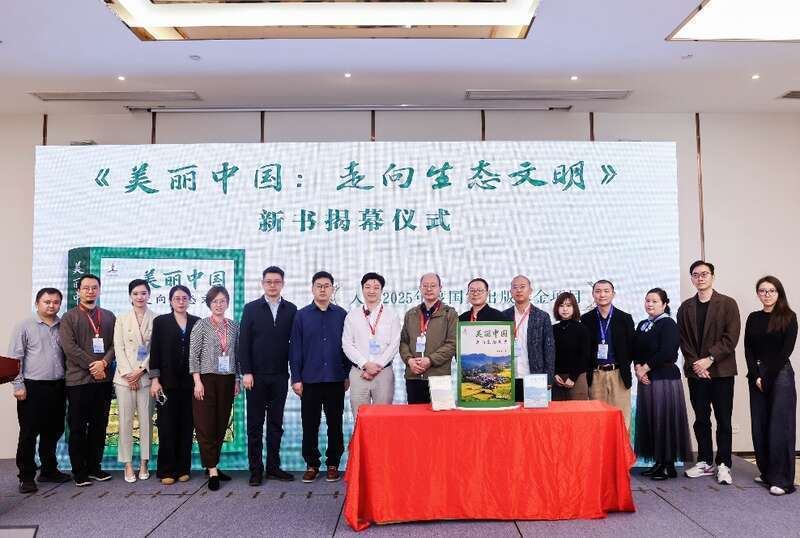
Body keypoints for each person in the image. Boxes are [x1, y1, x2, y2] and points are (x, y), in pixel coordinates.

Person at [677, 260, 740, 485]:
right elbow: (683, 340)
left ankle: (724, 464)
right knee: (701, 419)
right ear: (692, 278)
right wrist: (697, 364)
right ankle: (704, 461)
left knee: (723, 419)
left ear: (713, 276)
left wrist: (709, 359)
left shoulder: (728, 303)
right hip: (696, 373)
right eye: (696, 275)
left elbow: (731, 338)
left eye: (704, 274)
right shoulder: (685, 307)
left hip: (721, 371)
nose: (700, 278)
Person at [239, 266, 297, 486]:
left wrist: (295, 375)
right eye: (268, 282)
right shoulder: (251, 308)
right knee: (255, 425)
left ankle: (273, 467)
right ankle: (256, 470)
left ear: (283, 284)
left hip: (280, 376)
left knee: (275, 424)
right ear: (263, 284)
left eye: (277, 282)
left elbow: (295, 345)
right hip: (255, 377)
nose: (272, 285)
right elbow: (243, 343)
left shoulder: (291, 309)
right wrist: (246, 372)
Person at [8, 288, 71, 493]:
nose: (52, 305)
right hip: (32, 387)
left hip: (58, 386)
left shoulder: (63, 326)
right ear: (37, 303)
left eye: (56, 302)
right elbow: (15, 358)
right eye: (47, 302)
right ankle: (26, 476)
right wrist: (18, 385)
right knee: (29, 433)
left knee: (53, 430)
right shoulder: (24, 326)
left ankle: (48, 470)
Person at [289, 271, 349, 483]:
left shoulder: (341, 314)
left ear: (333, 289)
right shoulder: (301, 315)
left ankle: (333, 463)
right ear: (312, 289)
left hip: (335, 379)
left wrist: (347, 374)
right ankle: (312, 464)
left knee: (335, 424)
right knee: (310, 424)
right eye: (319, 286)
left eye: (327, 286)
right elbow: (295, 349)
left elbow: (347, 348)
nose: (323, 289)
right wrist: (296, 378)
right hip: (310, 380)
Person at [59, 274, 115, 487]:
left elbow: (115, 345)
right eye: (86, 288)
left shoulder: (108, 316)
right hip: (78, 382)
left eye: (94, 288)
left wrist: (104, 363)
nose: (90, 291)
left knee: (99, 426)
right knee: (78, 427)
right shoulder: (69, 317)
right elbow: (69, 348)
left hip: (103, 381)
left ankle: (94, 467)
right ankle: (79, 471)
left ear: (99, 290)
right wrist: (94, 365)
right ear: (79, 291)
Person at [744, 276, 797, 495]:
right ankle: (767, 472)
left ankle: (782, 480)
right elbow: (748, 349)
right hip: (757, 375)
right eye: (763, 291)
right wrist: (755, 375)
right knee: (760, 424)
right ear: (758, 293)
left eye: (771, 290)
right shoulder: (753, 317)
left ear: (779, 293)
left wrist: (768, 378)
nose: (767, 294)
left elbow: (786, 351)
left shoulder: (789, 317)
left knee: (779, 426)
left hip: (780, 375)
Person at [633, 288, 692, 481]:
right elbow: (636, 351)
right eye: (647, 301)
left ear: (664, 304)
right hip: (647, 379)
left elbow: (667, 351)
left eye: (655, 301)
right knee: (652, 420)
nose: (650, 304)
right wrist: (638, 368)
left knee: (664, 420)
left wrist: (645, 368)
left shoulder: (668, 324)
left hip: (664, 378)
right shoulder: (643, 324)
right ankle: (658, 462)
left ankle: (668, 465)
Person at [189, 285, 240, 492]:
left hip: (227, 380)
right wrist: (197, 381)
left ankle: (214, 464)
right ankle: (211, 470)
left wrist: (237, 380)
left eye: (222, 301)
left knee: (220, 424)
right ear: (209, 304)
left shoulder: (234, 326)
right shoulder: (201, 325)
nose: (219, 305)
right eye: (215, 301)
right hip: (206, 380)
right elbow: (193, 355)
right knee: (206, 425)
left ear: (227, 303)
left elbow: (237, 355)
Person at [149, 285, 199, 485]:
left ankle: (183, 468)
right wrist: (155, 380)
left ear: (189, 300)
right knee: (167, 426)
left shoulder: (197, 322)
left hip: (189, 383)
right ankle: (166, 470)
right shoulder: (161, 322)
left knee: (187, 427)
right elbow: (155, 352)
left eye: (184, 298)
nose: (181, 301)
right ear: (170, 301)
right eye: (177, 298)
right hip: (166, 384)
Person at [113, 279, 155, 483]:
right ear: (130, 296)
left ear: (149, 295)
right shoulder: (121, 318)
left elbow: (156, 348)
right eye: (136, 293)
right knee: (125, 421)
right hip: (124, 378)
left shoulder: (156, 318)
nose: (140, 297)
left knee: (146, 421)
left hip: (145, 377)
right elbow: (118, 347)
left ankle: (144, 462)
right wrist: (128, 374)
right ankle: (128, 464)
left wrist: (140, 370)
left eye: (143, 293)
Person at [342, 272, 401, 417]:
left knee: (383, 418)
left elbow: (395, 344)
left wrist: (376, 366)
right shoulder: (352, 316)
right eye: (367, 287)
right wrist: (365, 364)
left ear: (382, 290)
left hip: (383, 373)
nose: (371, 291)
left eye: (376, 287)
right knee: (360, 417)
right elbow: (347, 344)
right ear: (362, 289)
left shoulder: (391, 315)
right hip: (359, 373)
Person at [581, 280, 635, 428]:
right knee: (597, 420)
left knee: (622, 419)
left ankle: (622, 445)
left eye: (606, 291)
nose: (602, 295)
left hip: (619, 374)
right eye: (598, 291)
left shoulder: (625, 318)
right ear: (593, 294)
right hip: (595, 375)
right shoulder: (586, 319)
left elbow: (632, 348)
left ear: (613, 294)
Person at [399, 273, 458, 404]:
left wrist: (430, 360)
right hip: (414, 376)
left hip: (439, 376)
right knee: (416, 415)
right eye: (425, 286)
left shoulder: (449, 314)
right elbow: (404, 342)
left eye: (433, 285)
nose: (429, 289)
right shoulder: (411, 314)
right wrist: (410, 361)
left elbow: (452, 344)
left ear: (440, 288)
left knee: (440, 415)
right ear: (420, 288)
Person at [502, 275, 555, 402]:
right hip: (508, 377)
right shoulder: (503, 316)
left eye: (522, 287)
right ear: (510, 292)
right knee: (509, 412)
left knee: (533, 412)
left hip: (534, 376)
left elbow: (549, 349)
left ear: (530, 290)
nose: (518, 290)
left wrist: (548, 377)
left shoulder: (542, 316)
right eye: (515, 287)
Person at [550, 292, 591, 401]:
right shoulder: (552, 329)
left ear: (574, 308)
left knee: (578, 410)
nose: (565, 309)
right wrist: (554, 374)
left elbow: (585, 356)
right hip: (557, 380)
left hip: (577, 378)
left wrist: (573, 377)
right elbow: (549, 355)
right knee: (558, 411)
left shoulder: (582, 329)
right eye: (561, 305)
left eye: (568, 305)